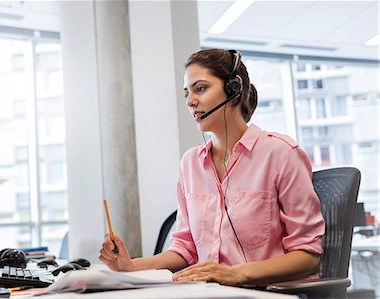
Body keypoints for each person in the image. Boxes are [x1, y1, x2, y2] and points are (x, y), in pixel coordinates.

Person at [99, 48, 325, 286]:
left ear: (233, 89)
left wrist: (235, 273)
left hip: (266, 293)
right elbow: (185, 249)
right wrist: (132, 266)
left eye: (201, 88)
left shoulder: (281, 155)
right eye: (187, 93)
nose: (190, 101)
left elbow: (308, 255)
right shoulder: (190, 164)